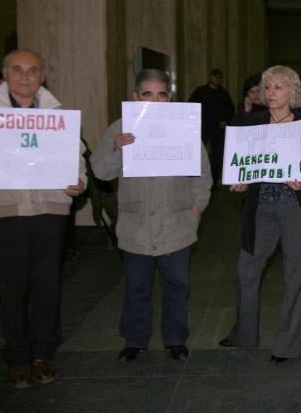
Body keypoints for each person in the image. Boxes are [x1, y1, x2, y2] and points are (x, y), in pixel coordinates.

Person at [0, 50, 86, 389]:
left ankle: (43, 353)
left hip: (49, 211)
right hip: (4, 211)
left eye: (33, 70)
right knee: (11, 287)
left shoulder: (57, 115)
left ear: (42, 76)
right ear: (6, 74)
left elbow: (76, 156)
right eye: (18, 70)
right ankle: (18, 356)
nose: (25, 76)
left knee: (47, 286)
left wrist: (78, 181)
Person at [90, 69, 212, 363]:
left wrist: (196, 209)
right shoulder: (120, 129)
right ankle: (135, 339)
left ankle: (175, 339)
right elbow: (100, 171)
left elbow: (202, 176)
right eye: (148, 94)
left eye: (161, 94)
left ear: (169, 98)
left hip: (176, 224)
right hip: (137, 225)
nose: (155, 100)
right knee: (136, 287)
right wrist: (116, 148)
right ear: (136, 97)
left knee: (177, 287)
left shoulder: (184, 129)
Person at [218, 65, 301, 363]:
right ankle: (245, 335)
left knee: (294, 276)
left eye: (279, 87)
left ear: (293, 92)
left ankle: (287, 346)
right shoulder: (251, 124)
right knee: (247, 269)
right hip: (260, 208)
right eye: (268, 87)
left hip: (294, 210)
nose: (272, 93)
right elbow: (239, 162)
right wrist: (240, 180)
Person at [188, 67, 235, 183]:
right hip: (202, 127)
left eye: (220, 77)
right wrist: (193, 121)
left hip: (218, 128)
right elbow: (191, 106)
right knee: (197, 152)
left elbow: (230, 108)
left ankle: (213, 180)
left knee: (217, 155)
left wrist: (226, 120)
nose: (217, 79)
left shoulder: (223, 93)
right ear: (210, 77)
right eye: (215, 76)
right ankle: (195, 177)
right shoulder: (201, 91)